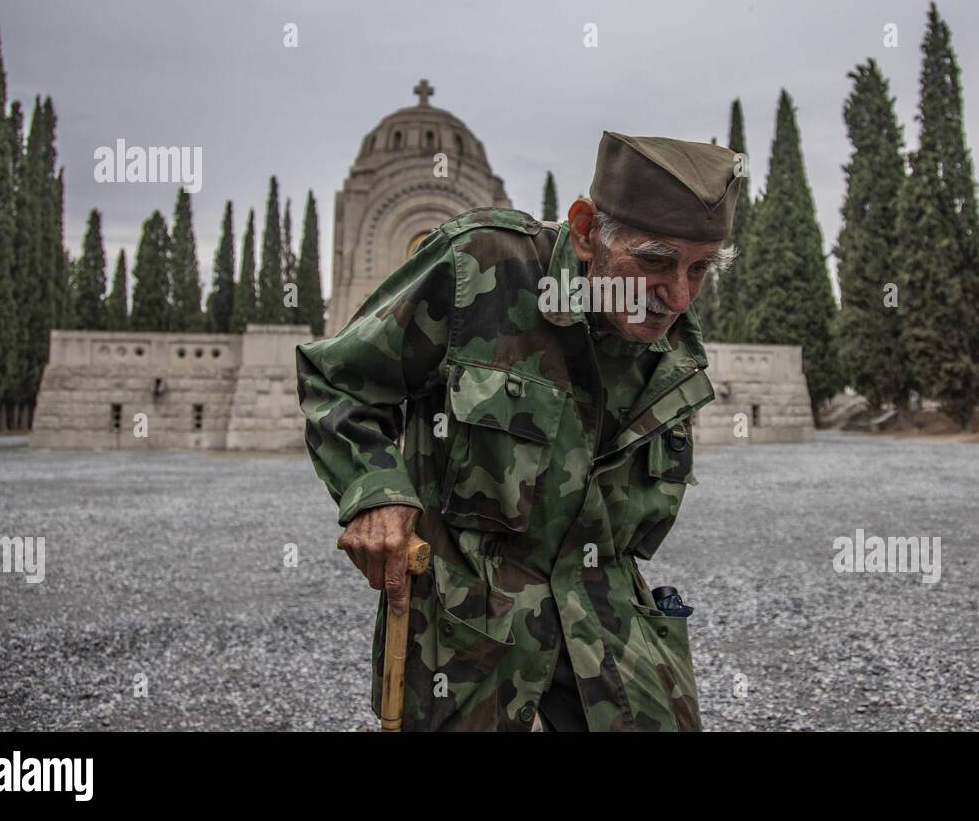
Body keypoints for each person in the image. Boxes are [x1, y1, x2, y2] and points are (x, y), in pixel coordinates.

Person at [296, 130, 739, 731]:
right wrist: (374, 493)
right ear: (585, 231)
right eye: (655, 261)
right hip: (471, 638)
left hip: (612, 633)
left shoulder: (675, 351)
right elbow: (341, 379)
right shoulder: (481, 269)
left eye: (700, 269)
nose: (679, 296)